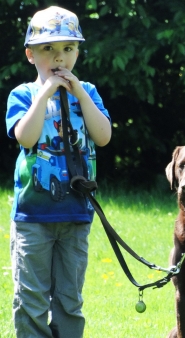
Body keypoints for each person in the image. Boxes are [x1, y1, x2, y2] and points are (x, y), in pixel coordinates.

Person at [5, 6, 111, 337]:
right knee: (32, 300)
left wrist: (78, 91)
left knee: (69, 301)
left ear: (78, 52)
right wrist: (45, 93)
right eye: (48, 49)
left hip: (76, 215)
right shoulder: (23, 95)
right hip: (33, 219)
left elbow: (104, 136)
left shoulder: (88, 93)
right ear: (30, 54)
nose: (59, 58)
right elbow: (26, 136)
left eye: (68, 48)